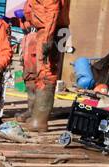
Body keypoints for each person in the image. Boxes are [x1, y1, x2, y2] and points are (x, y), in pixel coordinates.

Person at [21, 0, 70, 131]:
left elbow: (52, 11)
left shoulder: (51, 27)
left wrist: (48, 37)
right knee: (44, 71)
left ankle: (40, 121)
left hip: (50, 29)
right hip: (52, 28)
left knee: (46, 72)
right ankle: (36, 115)